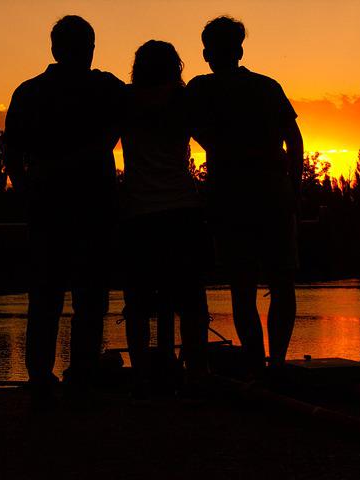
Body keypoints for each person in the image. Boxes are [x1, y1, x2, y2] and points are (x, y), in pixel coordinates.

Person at [5, 15, 124, 403]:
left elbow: (11, 157)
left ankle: (41, 376)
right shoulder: (105, 88)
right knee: (88, 298)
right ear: (89, 48)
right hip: (93, 208)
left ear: (54, 49)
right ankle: (82, 372)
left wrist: (30, 189)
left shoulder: (28, 93)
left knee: (45, 296)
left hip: (47, 208)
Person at [186, 16, 304, 379]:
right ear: (239, 50)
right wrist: (293, 187)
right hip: (270, 191)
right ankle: (277, 363)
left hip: (230, 195)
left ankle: (257, 364)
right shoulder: (267, 87)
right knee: (280, 281)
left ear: (207, 53)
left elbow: (196, 132)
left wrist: (223, 151)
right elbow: (295, 140)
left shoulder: (200, 89)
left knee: (243, 285)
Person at [120, 40, 210, 397]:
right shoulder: (184, 102)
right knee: (191, 300)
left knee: (139, 302)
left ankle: (142, 374)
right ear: (176, 67)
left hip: (139, 213)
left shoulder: (126, 100)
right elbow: (210, 142)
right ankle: (197, 373)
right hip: (182, 211)